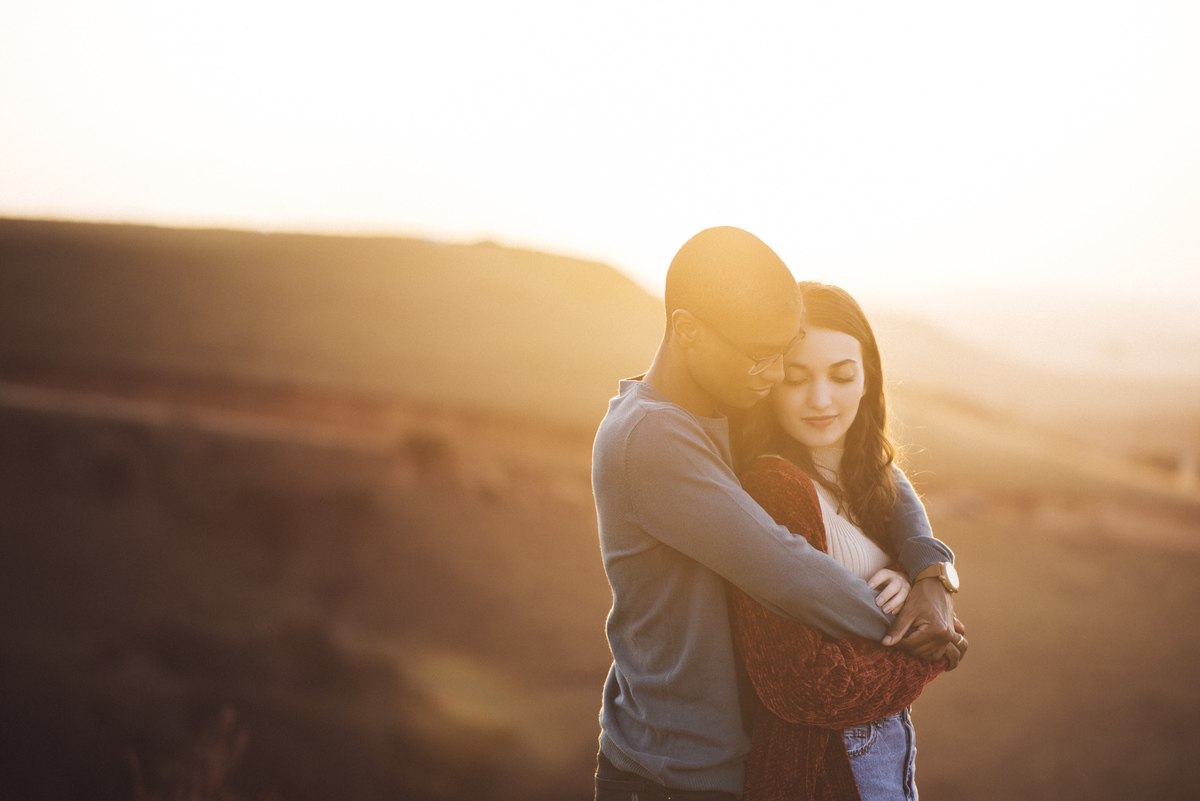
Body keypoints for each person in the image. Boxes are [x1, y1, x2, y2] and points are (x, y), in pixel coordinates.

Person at [591, 228, 963, 801]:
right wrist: (918, 634)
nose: (774, 377)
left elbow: (875, 468)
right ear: (688, 331)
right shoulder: (651, 438)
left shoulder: (723, 399)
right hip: (675, 771)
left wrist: (931, 572)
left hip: (737, 764)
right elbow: (788, 572)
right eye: (767, 361)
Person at [728, 281, 967, 800]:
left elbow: (894, 490)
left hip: (881, 752)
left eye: (841, 376)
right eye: (795, 379)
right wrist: (926, 653)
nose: (820, 400)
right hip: (823, 770)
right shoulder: (776, 489)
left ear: (867, 379)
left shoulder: (866, 475)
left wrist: (924, 576)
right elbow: (801, 688)